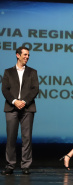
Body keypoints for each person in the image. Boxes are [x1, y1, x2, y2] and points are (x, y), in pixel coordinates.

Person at [1, 46, 39, 175]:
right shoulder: (8, 72)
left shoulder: (32, 72)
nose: (27, 57)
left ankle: (25, 166)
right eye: (25, 55)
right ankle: (10, 165)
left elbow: (35, 89)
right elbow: (5, 89)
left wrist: (24, 101)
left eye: (28, 55)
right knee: (11, 138)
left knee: (26, 138)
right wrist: (14, 101)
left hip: (27, 108)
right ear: (17, 55)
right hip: (11, 108)